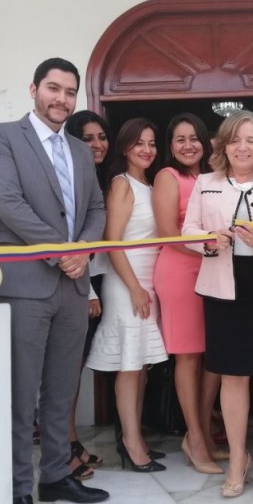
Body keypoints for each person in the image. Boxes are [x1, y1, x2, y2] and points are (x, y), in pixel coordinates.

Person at [0, 58, 108, 504]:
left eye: (70, 91)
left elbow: (94, 207)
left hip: (72, 286)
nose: (62, 99)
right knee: (20, 395)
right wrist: (63, 252)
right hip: (24, 282)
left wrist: (84, 252)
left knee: (60, 391)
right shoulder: (3, 136)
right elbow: (7, 203)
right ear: (34, 89)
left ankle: (55, 476)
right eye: (53, 88)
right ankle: (18, 492)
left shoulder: (78, 148)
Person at [182, 110, 253, 504]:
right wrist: (209, 243)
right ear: (223, 146)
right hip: (223, 289)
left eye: (251, 140)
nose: (243, 147)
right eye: (235, 140)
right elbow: (188, 232)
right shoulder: (205, 182)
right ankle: (237, 458)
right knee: (231, 377)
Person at [87, 118, 168, 472]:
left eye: (151, 143)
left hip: (147, 279)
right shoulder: (121, 184)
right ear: (125, 148)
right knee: (129, 365)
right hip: (126, 281)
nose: (147, 149)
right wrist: (134, 288)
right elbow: (113, 243)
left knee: (141, 366)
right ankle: (131, 444)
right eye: (140, 143)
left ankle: (136, 438)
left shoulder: (148, 184)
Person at [152, 113, 225, 474]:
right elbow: (168, 232)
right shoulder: (168, 177)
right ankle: (194, 437)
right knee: (188, 357)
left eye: (194, 138)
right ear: (171, 145)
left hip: (214, 269)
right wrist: (209, 248)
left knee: (215, 355)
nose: (187, 145)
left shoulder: (213, 178)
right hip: (181, 271)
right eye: (179, 139)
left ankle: (206, 433)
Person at [63, 110, 113, 480]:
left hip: (95, 281)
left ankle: (71, 442)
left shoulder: (100, 178)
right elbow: (74, 240)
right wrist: (89, 293)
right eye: (87, 138)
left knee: (73, 370)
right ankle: (65, 446)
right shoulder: (70, 178)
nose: (96, 144)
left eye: (101, 137)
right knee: (67, 371)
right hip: (77, 285)